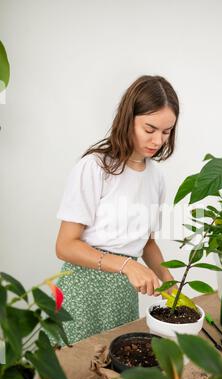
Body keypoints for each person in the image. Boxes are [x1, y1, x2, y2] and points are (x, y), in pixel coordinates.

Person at [55, 75, 180, 345]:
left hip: (123, 293)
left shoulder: (156, 178)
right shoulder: (95, 167)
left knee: (114, 374)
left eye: (166, 131)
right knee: (70, 373)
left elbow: (147, 243)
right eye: (150, 129)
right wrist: (126, 265)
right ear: (128, 119)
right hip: (82, 290)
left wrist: (170, 284)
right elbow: (65, 245)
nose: (158, 140)